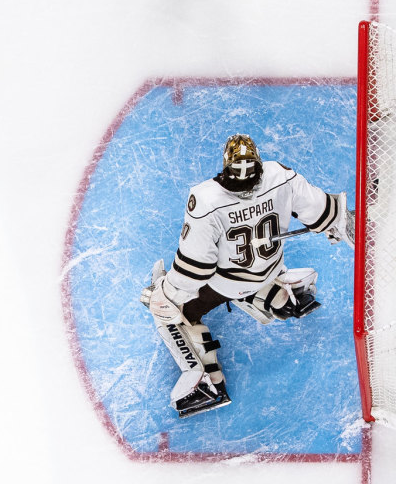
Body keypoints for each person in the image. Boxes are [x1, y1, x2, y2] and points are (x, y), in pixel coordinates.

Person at [140, 134, 354, 417]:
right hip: (270, 268)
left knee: (170, 311)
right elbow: (325, 212)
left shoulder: (206, 199)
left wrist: (164, 294)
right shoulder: (280, 174)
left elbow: (195, 270)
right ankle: (277, 297)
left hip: (230, 284)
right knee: (253, 275)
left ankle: (206, 382)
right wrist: (337, 225)